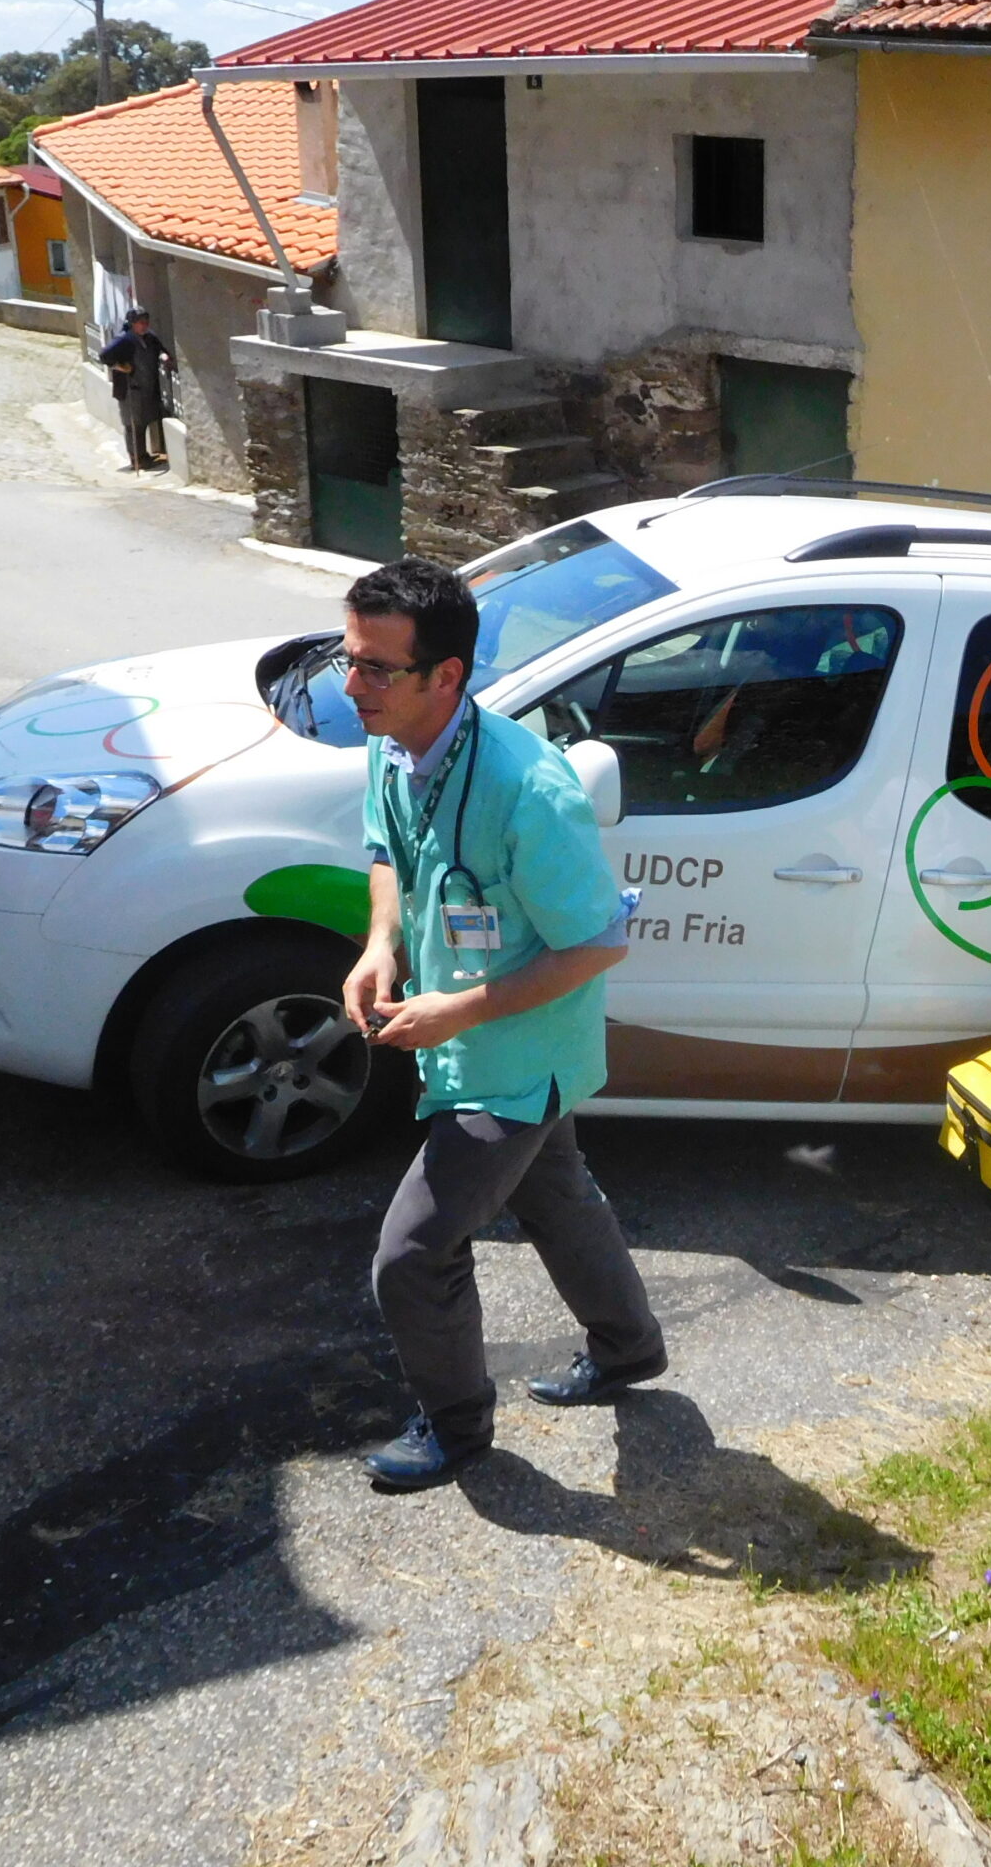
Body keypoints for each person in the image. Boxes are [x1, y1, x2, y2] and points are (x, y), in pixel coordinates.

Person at [339, 556, 667, 1492]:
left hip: (516, 1059)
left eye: (375, 669)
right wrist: (379, 947)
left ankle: (456, 1425)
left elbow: (599, 944)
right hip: (464, 1043)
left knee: (411, 1255)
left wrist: (456, 1011)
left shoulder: (533, 790)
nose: (352, 687)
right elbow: (386, 853)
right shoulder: (391, 738)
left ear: (447, 676)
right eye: (348, 660)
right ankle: (630, 1346)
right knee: (557, 1199)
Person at [97, 307, 172, 471]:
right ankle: (136, 459)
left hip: (147, 389)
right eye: (140, 322)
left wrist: (163, 356)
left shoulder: (150, 338)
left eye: (146, 322)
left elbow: (161, 350)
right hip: (131, 390)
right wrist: (119, 366)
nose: (144, 325)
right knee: (133, 425)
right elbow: (103, 355)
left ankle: (144, 456)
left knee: (144, 422)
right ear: (132, 324)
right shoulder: (124, 340)